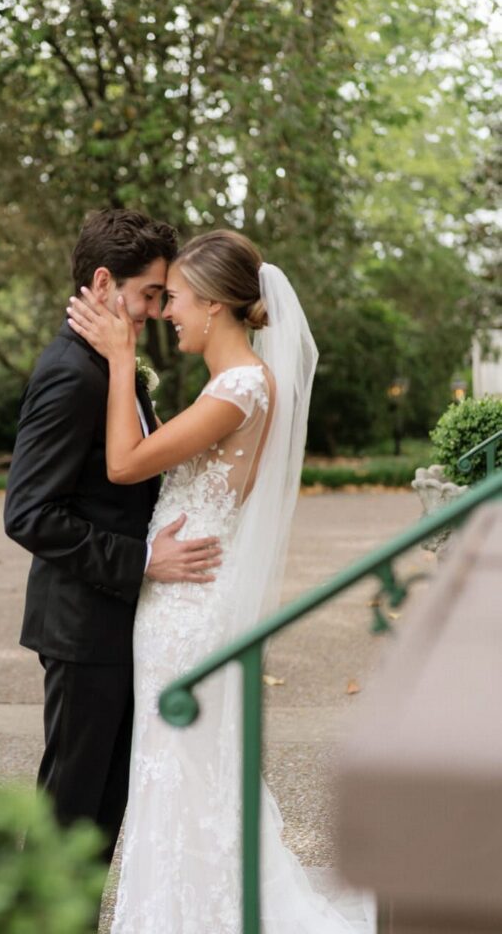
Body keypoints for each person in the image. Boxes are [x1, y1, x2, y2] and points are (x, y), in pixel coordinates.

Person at [66, 229, 374, 933]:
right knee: (186, 768)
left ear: (212, 305)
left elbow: (125, 462)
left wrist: (120, 360)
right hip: (185, 596)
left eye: (174, 299)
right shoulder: (238, 385)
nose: (166, 311)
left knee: (184, 767)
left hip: (188, 610)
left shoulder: (237, 389)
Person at [4, 209, 222, 866]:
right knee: (69, 816)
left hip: (114, 625)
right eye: (150, 294)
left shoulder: (110, 365)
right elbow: (29, 512)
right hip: (80, 630)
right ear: (104, 284)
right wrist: (143, 561)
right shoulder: (73, 373)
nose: (157, 310)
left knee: (100, 816)